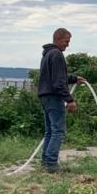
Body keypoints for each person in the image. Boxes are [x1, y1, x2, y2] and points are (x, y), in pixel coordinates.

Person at [37, 28, 86, 173]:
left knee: (50, 131)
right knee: (58, 131)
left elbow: (57, 76)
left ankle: (46, 162)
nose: (67, 45)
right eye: (66, 41)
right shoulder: (57, 54)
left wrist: (74, 78)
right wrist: (69, 100)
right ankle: (51, 164)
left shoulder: (47, 54)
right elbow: (58, 82)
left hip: (45, 96)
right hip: (53, 96)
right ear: (58, 39)